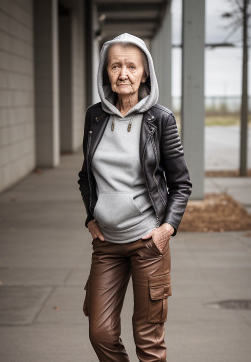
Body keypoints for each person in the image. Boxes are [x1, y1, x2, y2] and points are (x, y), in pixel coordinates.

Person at [77, 32, 192, 362]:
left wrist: (166, 229)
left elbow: (181, 183)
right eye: (115, 66)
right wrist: (90, 217)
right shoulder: (94, 117)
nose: (123, 74)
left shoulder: (160, 120)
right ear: (106, 72)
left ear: (145, 73)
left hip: (148, 244)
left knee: (149, 339)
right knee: (100, 333)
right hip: (107, 245)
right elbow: (86, 176)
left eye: (131, 66)